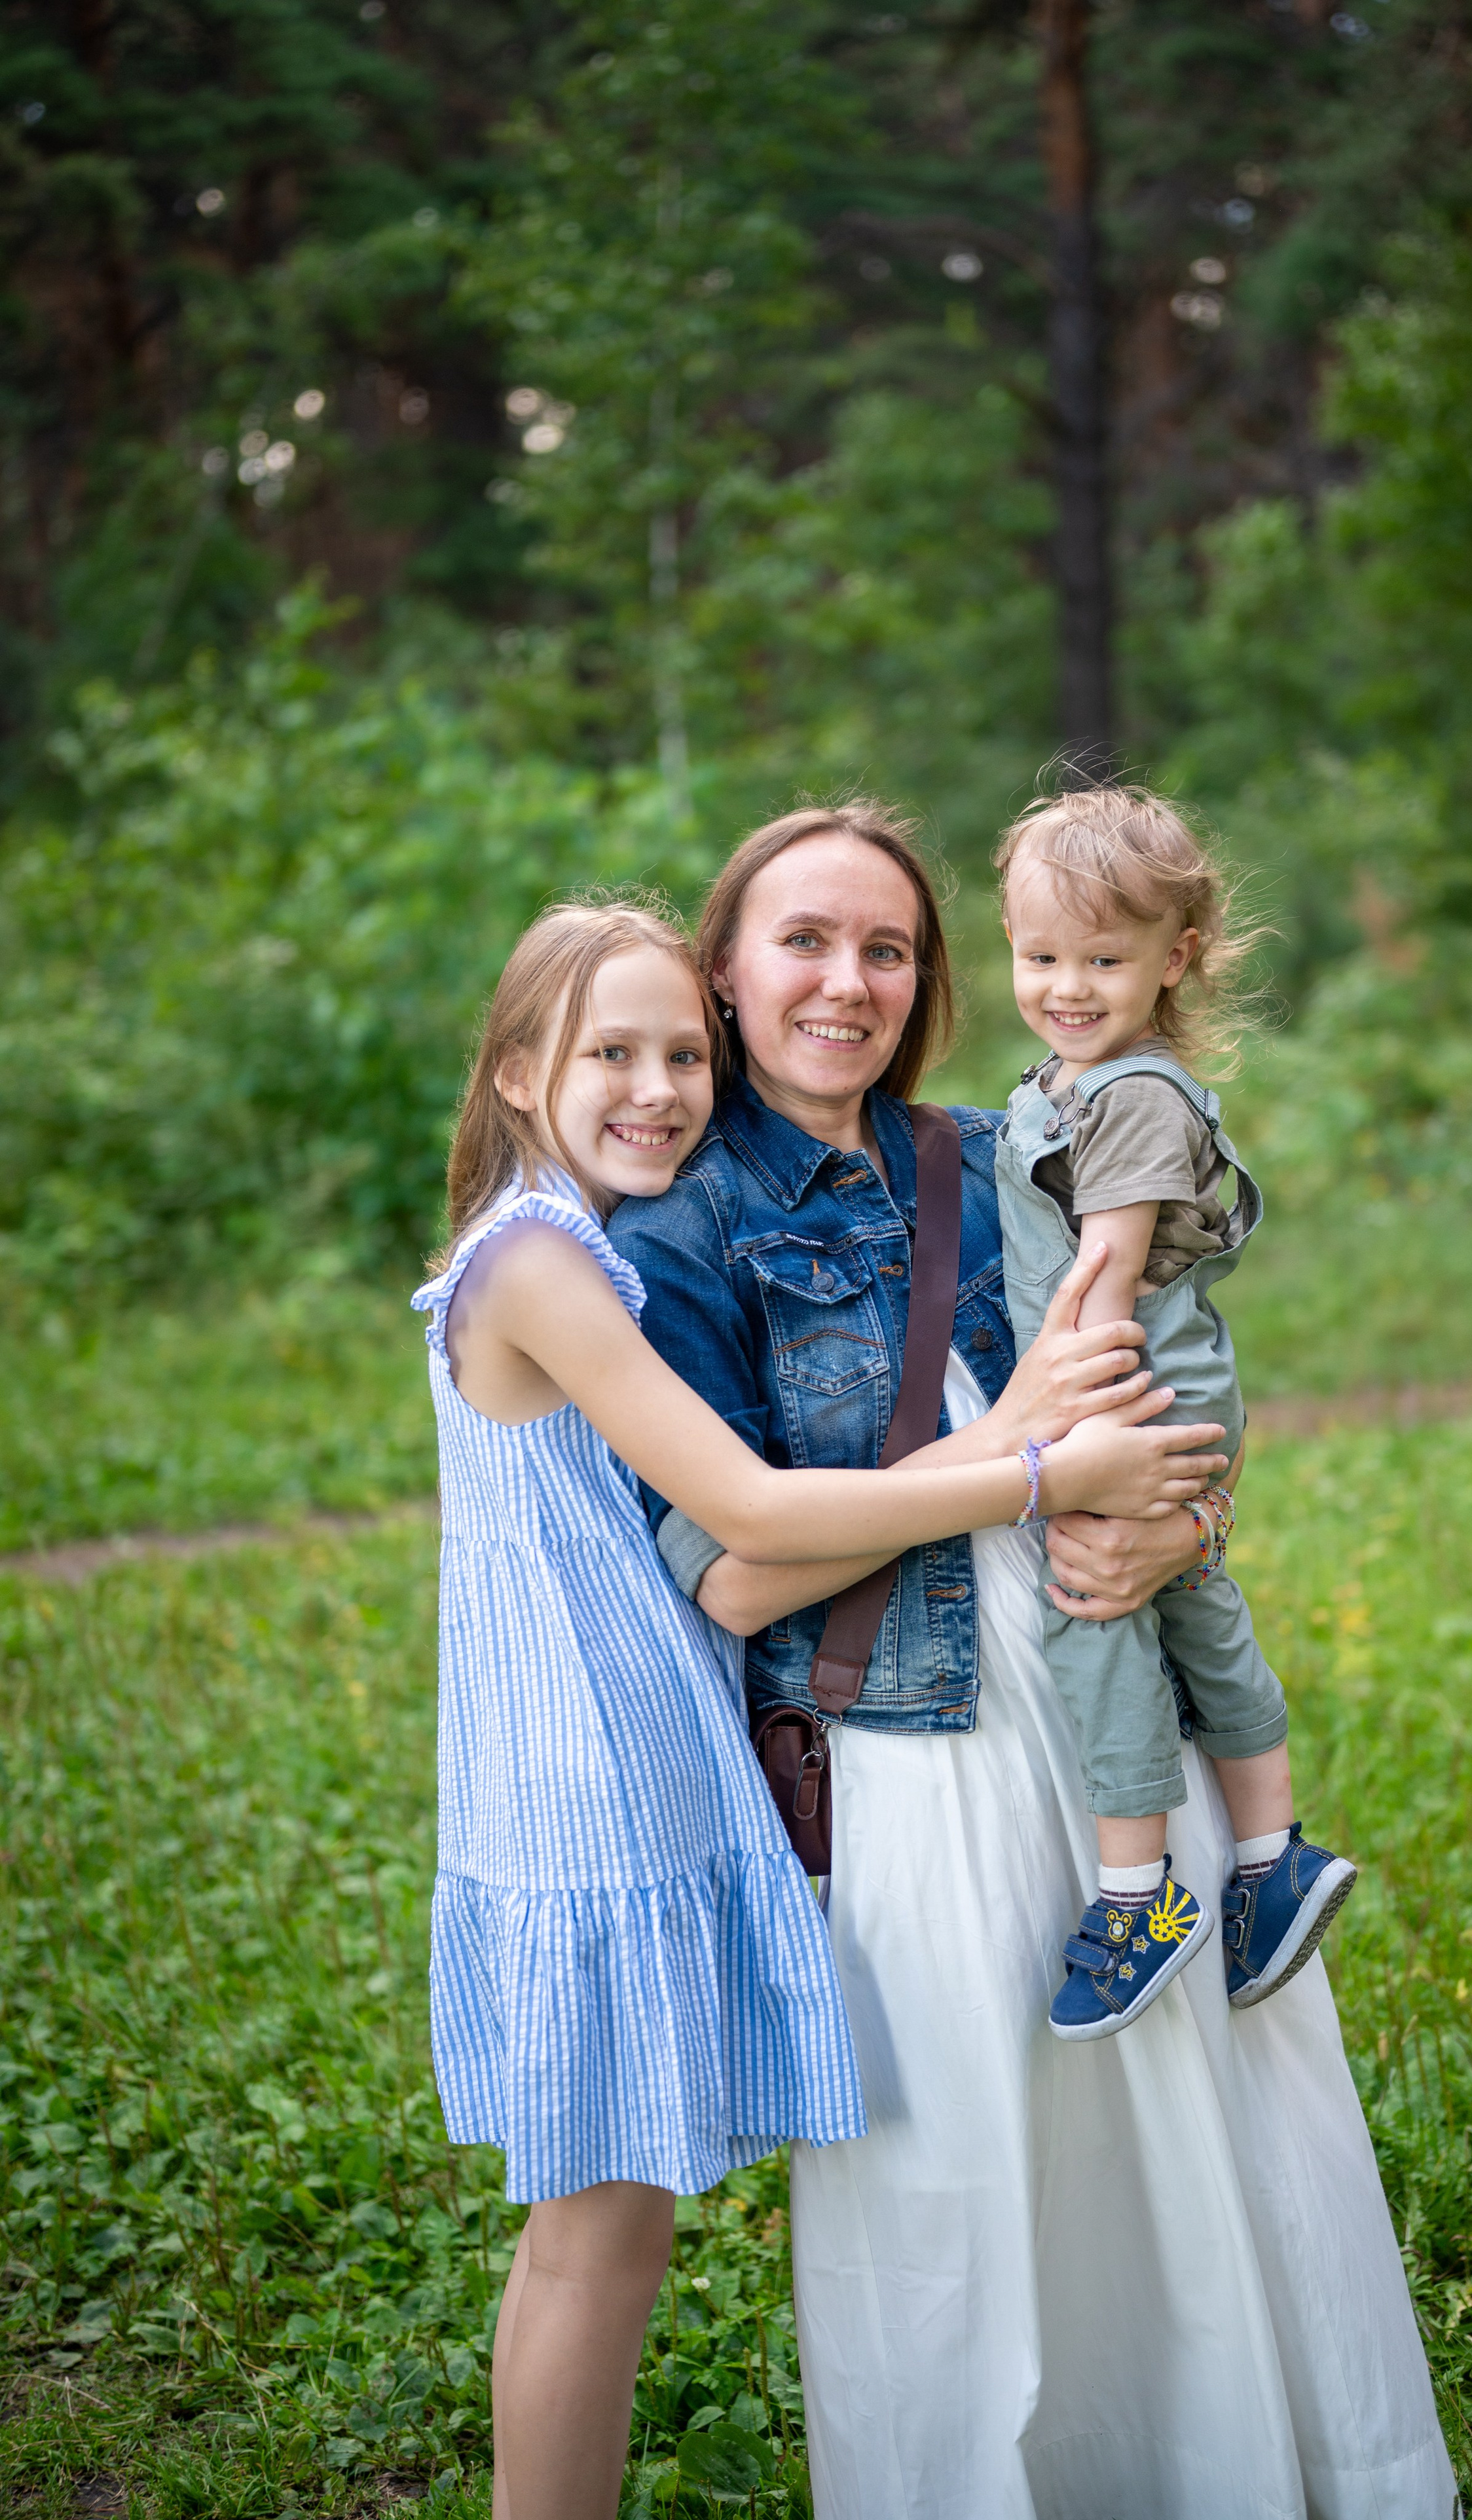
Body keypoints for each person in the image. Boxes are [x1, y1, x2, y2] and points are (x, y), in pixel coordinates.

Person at [610, 806, 1458, 2520]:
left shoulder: (1018, 1149)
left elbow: (1177, 1385)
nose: (847, 981)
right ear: (724, 971)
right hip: (910, 1748)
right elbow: (734, 1577)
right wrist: (1016, 1459)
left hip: (1109, 1703)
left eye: (887, 948)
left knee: (1189, 2137)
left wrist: (1185, 1524)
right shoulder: (676, 1236)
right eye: (803, 941)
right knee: (964, 2181)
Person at [411, 899, 1226, 2520]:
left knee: (616, 2229)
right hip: (591, 1775)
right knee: (591, 2235)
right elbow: (752, 1515)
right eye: (607, 1053)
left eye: (679, 1056)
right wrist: (1039, 1466)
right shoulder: (536, 1264)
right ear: (512, 1072)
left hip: (641, 1751)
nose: (657, 1089)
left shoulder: (577, 1245)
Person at [993, 785, 1357, 2041]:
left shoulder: (1135, 1095)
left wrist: (1073, 1432)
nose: (1068, 987)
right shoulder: (1077, 1078)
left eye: (1104, 960)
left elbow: (1104, 1271)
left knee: (1093, 1605)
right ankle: (1270, 1858)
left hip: (1126, 1379)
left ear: (1175, 957)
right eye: (1041, 957)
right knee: (1192, 1601)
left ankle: (1138, 1897)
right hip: (1159, 1374)